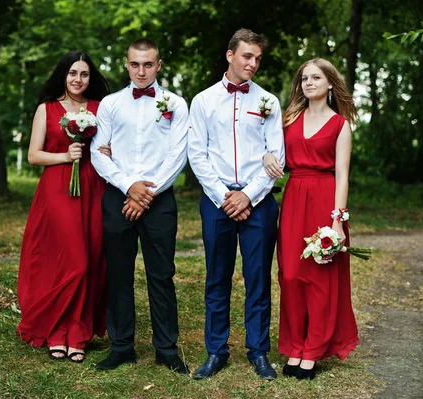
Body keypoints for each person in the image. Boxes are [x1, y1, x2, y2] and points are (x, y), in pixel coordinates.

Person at [187, 28, 285, 380]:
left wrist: (249, 195)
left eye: (258, 58)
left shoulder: (269, 102)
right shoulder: (202, 101)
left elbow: (277, 156)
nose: (253, 63)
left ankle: (258, 351)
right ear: (230, 55)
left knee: (258, 277)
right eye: (247, 56)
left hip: (259, 202)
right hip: (217, 201)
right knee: (217, 277)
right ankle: (216, 350)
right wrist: (225, 196)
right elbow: (196, 154)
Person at [90, 38, 190, 374]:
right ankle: (122, 347)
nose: (142, 71)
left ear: (159, 65)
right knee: (119, 273)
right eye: (135, 64)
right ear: (126, 64)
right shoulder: (110, 104)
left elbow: (179, 154)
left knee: (161, 275)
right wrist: (128, 186)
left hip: (159, 200)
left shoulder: (175, 103)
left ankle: (166, 349)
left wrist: (148, 192)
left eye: (148, 64)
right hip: (119, 195)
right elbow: (97, 152)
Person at [263, 58, 359, 380]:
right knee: (290, 275)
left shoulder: (339, 125)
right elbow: (271, 148)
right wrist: (267, 156)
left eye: (316, 77)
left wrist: (337, 221)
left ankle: (312, 351)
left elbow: (343, 176)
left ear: (330, 83)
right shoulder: (289, 119)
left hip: (325, 201)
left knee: (318, 279)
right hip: (293, 199)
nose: (309, 83)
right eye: (305, 78)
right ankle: (293, 344)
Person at [16, 51, 111, 363]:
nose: (78, 80)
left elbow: (110, 146)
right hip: (58, 188)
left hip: (93, 187)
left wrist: (107, 150)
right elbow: (33, 155)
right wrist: (64, 156)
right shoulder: (47, 108)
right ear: (63, 74)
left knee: (92, 258)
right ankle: (56, 329)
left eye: (84, 74)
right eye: (73, 73)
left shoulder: (99, 108)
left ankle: (78, 332)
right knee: (71, 261)